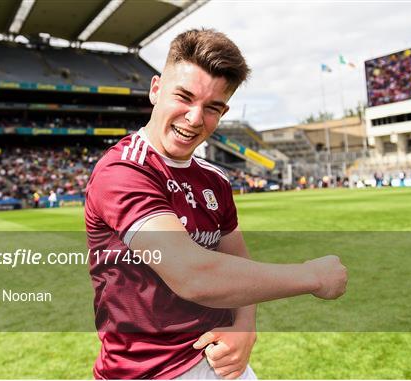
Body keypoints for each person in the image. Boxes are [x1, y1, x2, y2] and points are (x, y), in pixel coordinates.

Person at [85, 29, 347, 380]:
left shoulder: (215, 179)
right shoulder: (123, 170)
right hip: (147, 372)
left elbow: (237, 263)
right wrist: (313, 277)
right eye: (184, 97)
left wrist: (245, 327)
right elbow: (191, 275)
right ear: (155, 90)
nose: (195, 118)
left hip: (222, 361)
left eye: (212, 108)